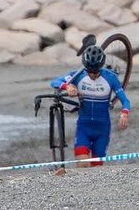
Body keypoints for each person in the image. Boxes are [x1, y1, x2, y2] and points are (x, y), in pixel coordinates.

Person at [49, 44, 131, 172]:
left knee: (96, 171)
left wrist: (124, 113)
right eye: (89, 71)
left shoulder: (110, 78)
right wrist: (67, 86)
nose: (92, 74)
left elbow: (125, 101)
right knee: (82, 167)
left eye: (96, 71)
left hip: (102, 129)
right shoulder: (78, 75)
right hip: (84, 127)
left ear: (101, 67)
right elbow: (54, 82)